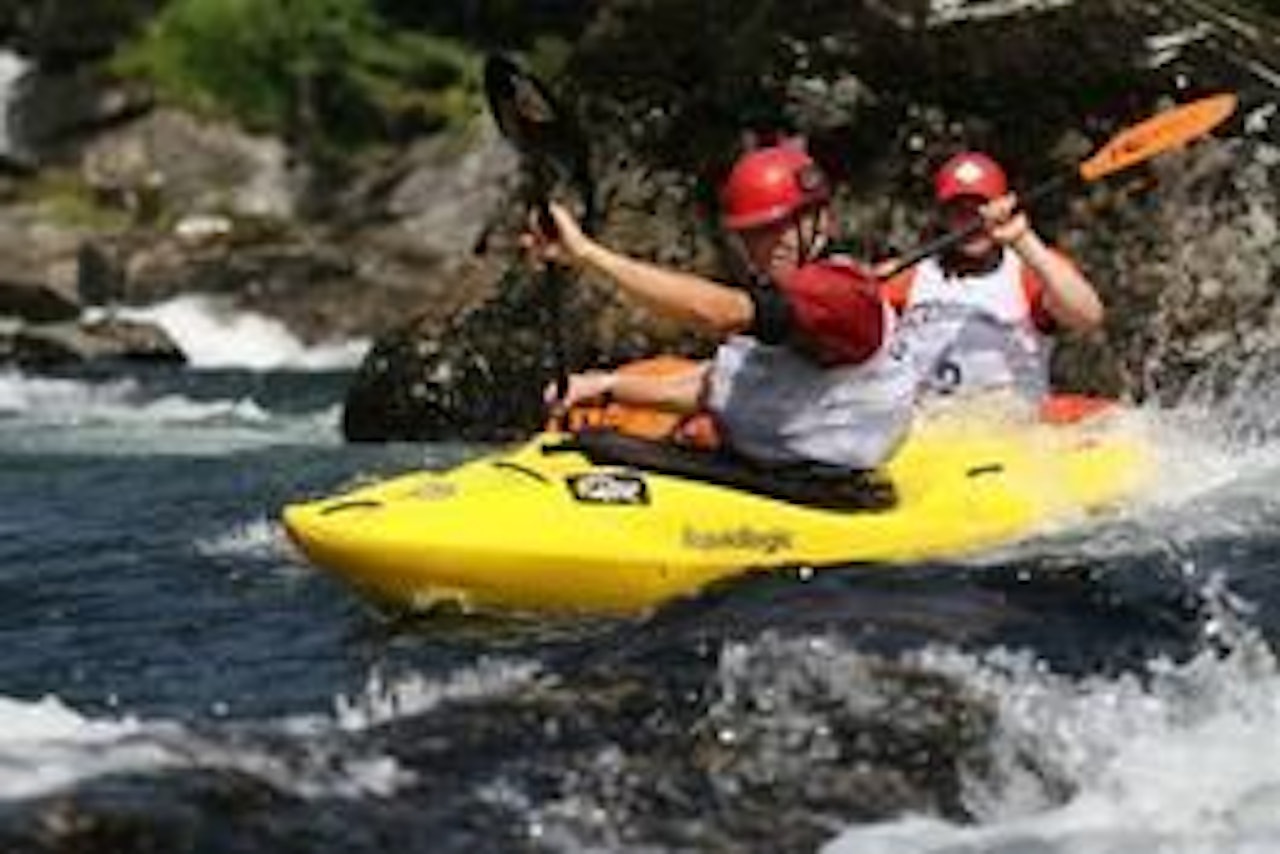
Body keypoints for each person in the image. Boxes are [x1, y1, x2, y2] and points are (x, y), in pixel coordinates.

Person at [523, 142, 915, 473]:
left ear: (822, 222)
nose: (771, 243)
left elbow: (717, 313)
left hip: (827, 491)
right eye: (756, 233)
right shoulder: (777, 301)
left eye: (784, 225)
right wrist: (609, 387)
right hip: (764, 477)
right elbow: (718, 387)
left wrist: (589, 255)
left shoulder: (837, 292)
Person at [882, 151, 1105, 407]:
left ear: (1002, 209)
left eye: (980, 210)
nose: (971, 221)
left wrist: (1023, 239)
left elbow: (1088, 317)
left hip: (1010, 431)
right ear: (942, 216)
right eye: (959, 211)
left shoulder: (1029, 272)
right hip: (930, 432)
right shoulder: (908, 278)